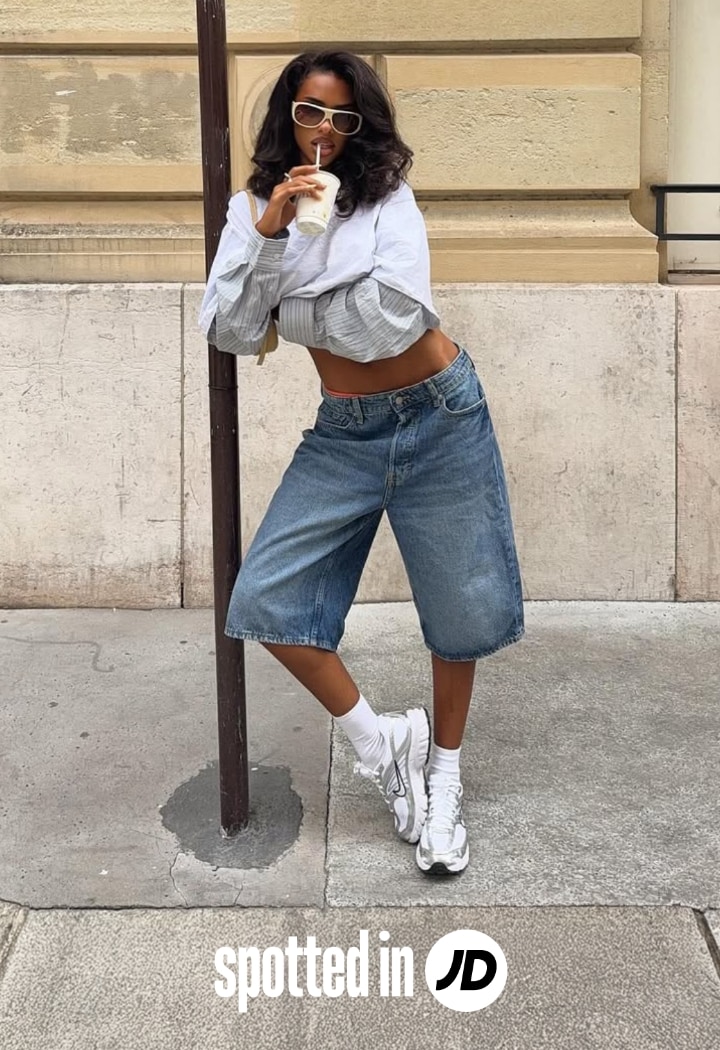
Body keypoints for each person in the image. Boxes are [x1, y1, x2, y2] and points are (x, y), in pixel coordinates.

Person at [198, 50, 524, 876]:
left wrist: (286, 310)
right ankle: (383, 746)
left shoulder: (387, 198)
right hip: (345, 430)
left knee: (458, 610)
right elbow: (228, 330)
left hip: (440, 413)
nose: (326, 131)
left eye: (344, 118)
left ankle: (444, 778)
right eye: (311, 111)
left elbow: (393, 318)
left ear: (360, 126)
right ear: (288, 114)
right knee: (268, 598)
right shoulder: (251, 212)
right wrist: (271, 236)